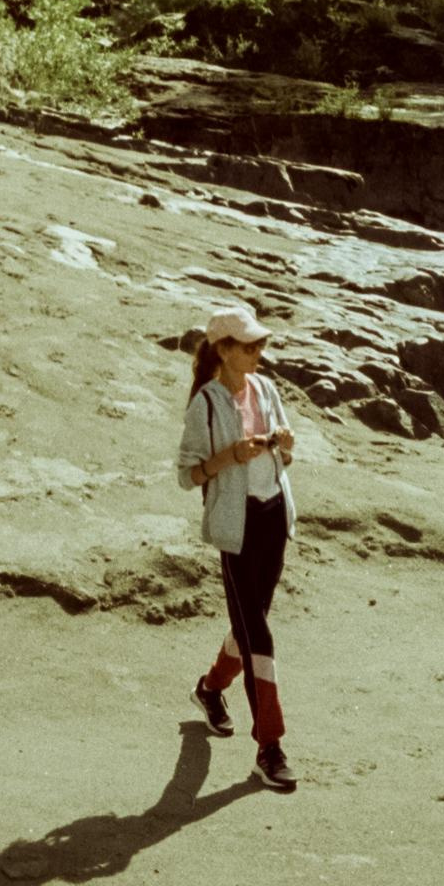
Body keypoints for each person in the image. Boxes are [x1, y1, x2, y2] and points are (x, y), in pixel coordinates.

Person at [176, 300, 297, 792]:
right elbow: (187, 475)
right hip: (235, 526)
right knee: (260, 638)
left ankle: (209, 689)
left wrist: (284, 443)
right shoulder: (204, 403)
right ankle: (269, 747)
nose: (258, 353)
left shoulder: (266, 388)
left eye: (261, 344)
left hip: (272, 516)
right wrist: (228, 457)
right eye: (249, 346)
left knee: (251, 626)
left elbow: (285, 454)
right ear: (222, 350)